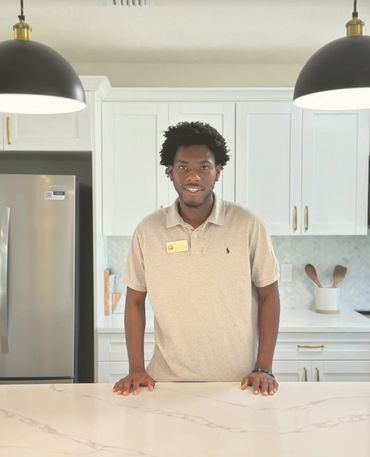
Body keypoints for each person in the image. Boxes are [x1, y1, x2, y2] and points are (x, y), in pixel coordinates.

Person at [113, 121, 280, 397]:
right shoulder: (148, 230)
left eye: (204, 167)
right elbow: (134, 300)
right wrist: (135, 368)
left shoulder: (248, 225)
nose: (193, 176)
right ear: (170, 172)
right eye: (183, 167)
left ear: (218, 171)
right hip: (164, 383)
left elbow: (269, 295)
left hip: (238, 384)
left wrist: (264, 367)